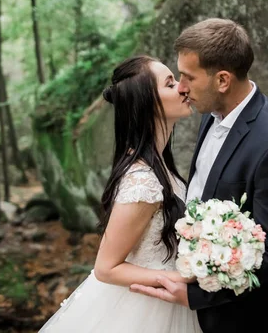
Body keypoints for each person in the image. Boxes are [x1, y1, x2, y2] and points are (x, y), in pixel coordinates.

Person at [130, 18, 268, 333]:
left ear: (222, 80)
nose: (181, 88)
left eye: (188, 77)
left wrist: (196, 295)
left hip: (240, 315)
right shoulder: (210, 113)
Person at [39, 55, 202, 332]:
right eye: (170, 83)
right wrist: (177, 278)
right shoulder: (143, 182)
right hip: (145, 312)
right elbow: (106, 268)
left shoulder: (162, 166)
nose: (182, 88)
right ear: (148, 103)